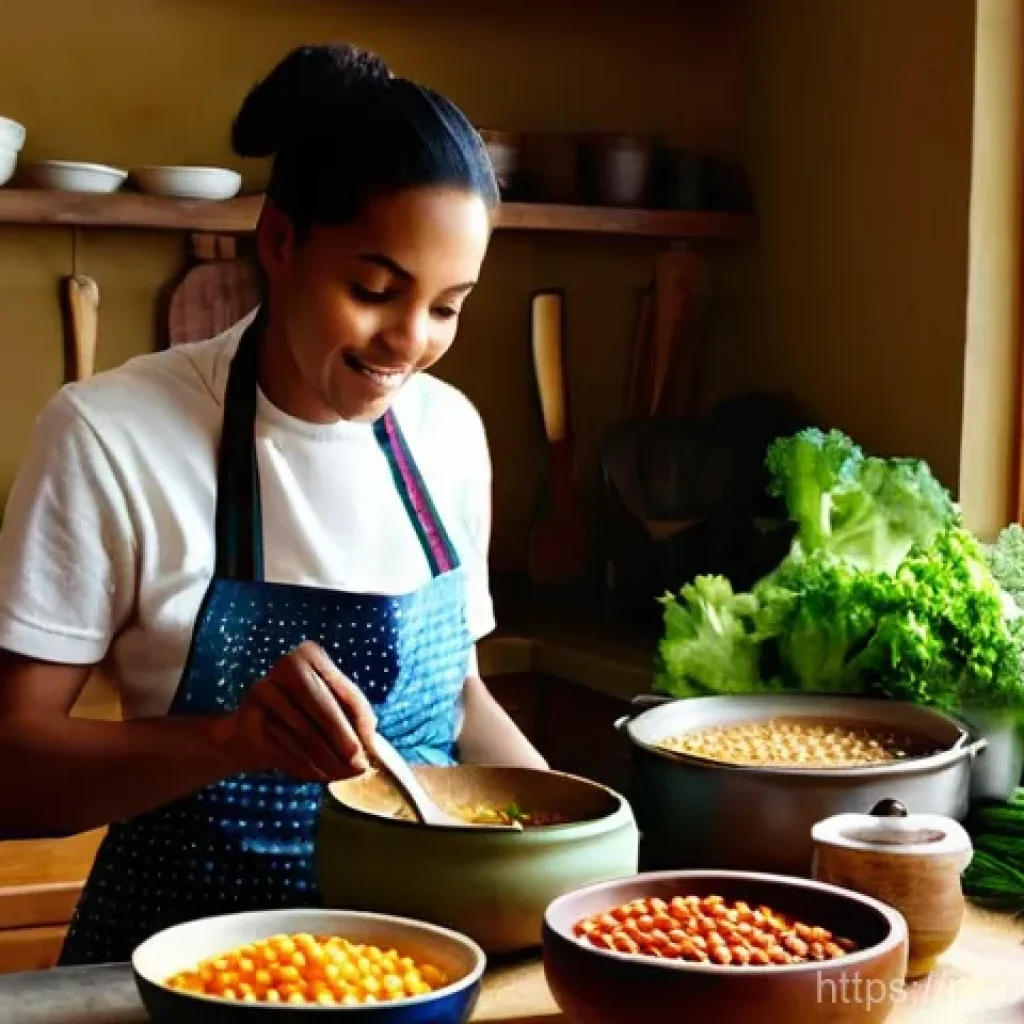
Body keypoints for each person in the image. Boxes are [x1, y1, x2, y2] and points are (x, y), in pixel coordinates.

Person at [0, 42, 547, 965]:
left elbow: (458, 699)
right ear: (281, 242)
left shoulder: (450, 433)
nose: (409, 344)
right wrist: (229, 740)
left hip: (417, 961)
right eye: (376, 290)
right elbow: (10, 771)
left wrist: (581, 846)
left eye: (449, 307)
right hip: (185, 963)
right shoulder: (110, 435)